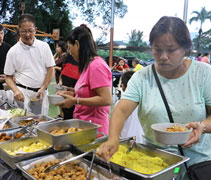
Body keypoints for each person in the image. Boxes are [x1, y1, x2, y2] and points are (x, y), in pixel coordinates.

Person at [98, 16, 211, 180]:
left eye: (171, 50)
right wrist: (113, 138)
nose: (163, 56)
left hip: (198, 162)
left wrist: (202, 126)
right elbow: (121, 110)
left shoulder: (204, 74)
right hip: (155, 162)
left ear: (186, 49)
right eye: (157, 49)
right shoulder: (142, 77)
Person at [57, 25, 112, 134]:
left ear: (77, 44)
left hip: (94, 128)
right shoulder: (87, 65)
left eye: (69, 47)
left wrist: (75, 101)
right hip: (83, 125)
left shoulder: (97, 66)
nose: (69, 52)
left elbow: (106, 99)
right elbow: (89, 91)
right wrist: (71, 93)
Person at [4, 13, 55, 115]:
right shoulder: (13, 51)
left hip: (42, 93)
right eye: (24, 31)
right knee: (24, 122)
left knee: (41, 121)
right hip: (23, 93)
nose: (27, 34)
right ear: (19, 31)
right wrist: (15, 90)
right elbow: (8, 77)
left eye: (30, 31)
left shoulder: (44, 46)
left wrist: (44, 87)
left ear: (35, 29)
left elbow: (51, 68)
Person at [118, 71, 144, 143]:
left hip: (125, 142)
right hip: (143, 142)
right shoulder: (147, 104)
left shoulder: (119, 104)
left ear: (123, 86)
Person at [58, 53, 80, 119]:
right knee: (65, 110)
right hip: (66, 88)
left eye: (70, 47)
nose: (69, 51)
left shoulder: (85, 62)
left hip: (75, 95)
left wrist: (74, 92)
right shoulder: (68, 57)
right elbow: (62, 70)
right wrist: (60, 80)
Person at [0, 24, 11, 99]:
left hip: (6, 87)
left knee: (8, 109)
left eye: (1, 33)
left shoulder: (9, 48)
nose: (0, 36)